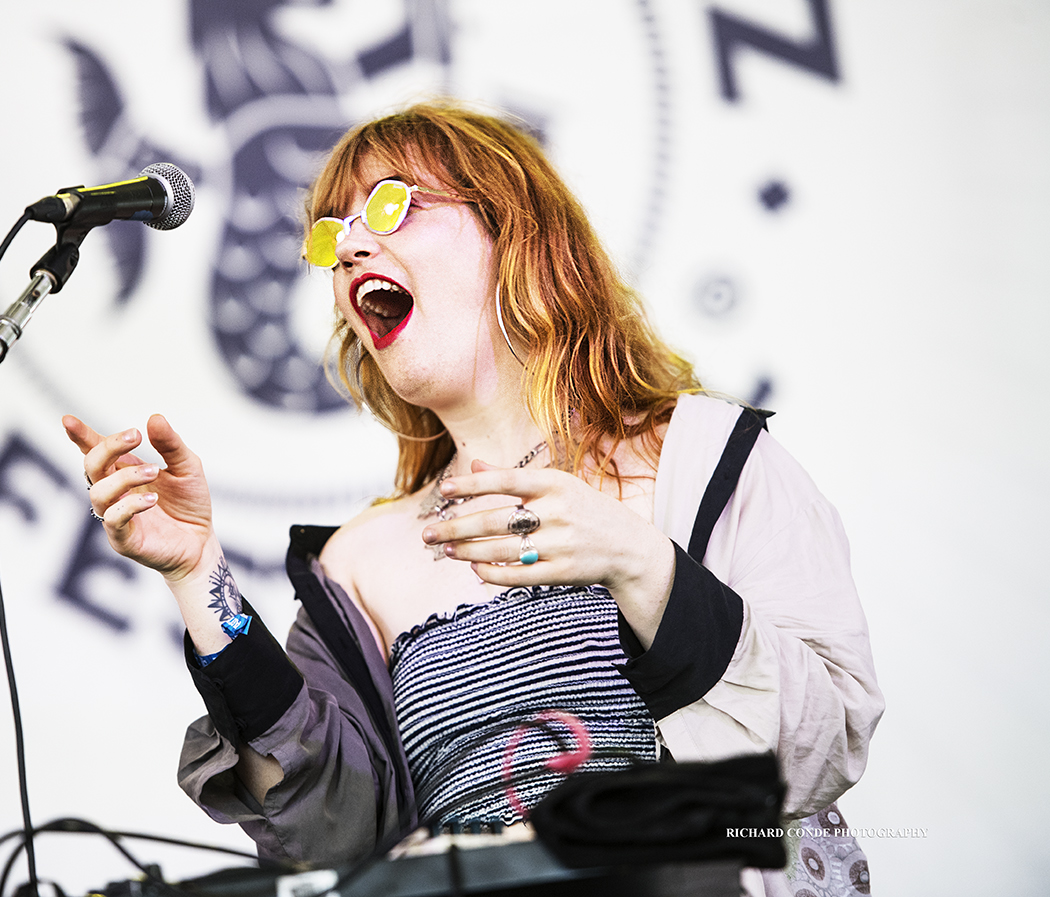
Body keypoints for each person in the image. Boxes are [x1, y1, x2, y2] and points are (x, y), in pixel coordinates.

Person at [63, 100, 883, 897]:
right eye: (332, 234)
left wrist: (640, 561)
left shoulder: (706, 457)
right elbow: (328, 843)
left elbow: (819, 749)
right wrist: (196, 578)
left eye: (391, 207)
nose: (349, 249)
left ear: (518, 234)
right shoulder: (360, 560)